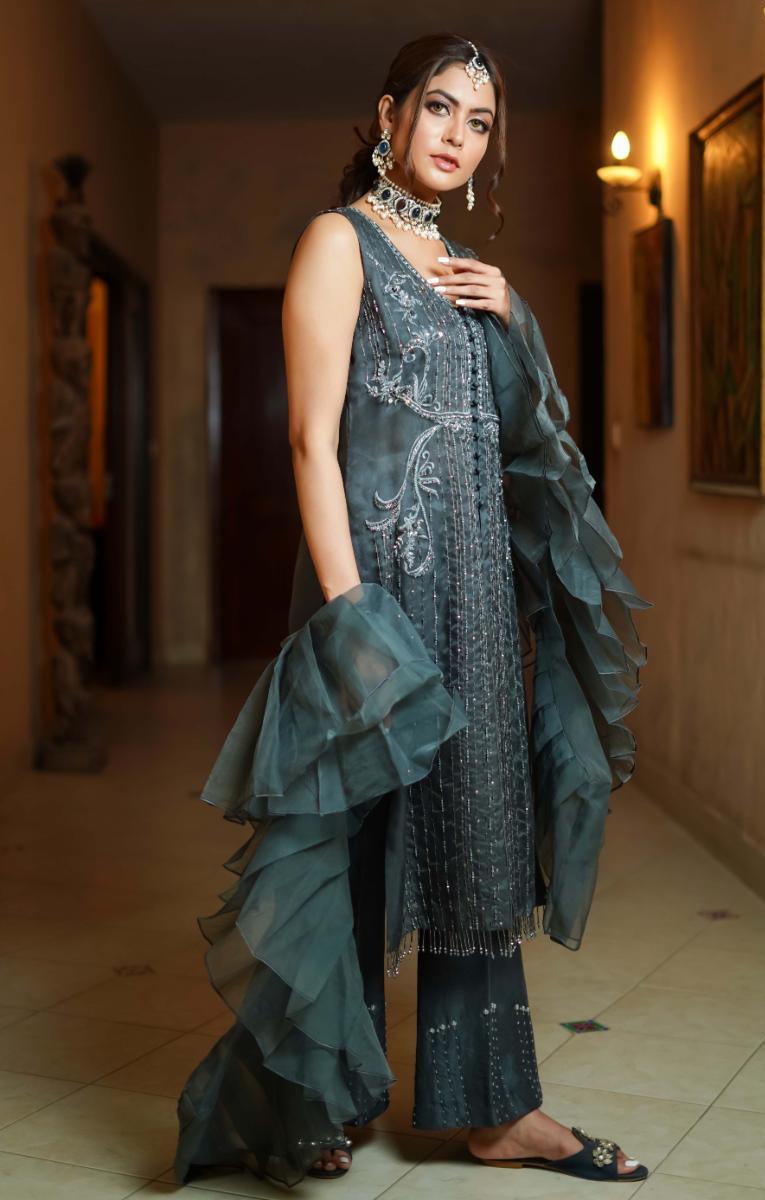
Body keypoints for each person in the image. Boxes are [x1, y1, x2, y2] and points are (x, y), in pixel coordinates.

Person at [172, 32, 652, 1189]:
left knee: (476, 842)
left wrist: (513, 317)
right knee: (345, 839)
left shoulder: (465, 271)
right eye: (438, 108)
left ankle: (495, 1110)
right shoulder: (336, 242)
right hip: (375, 596)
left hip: (473, 604)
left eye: (478, 122)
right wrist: (347, 619)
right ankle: (313, 1104)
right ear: (389, 114)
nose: (456, 135)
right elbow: (309, 439)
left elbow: (522, 442)